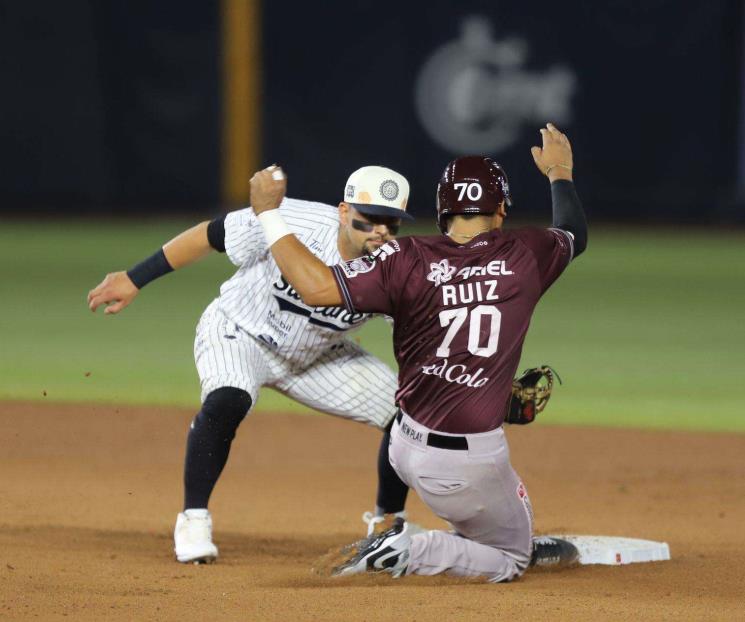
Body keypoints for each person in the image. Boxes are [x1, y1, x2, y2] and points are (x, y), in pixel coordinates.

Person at [245, 122, 588, 582]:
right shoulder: (527, 253)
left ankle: (444, 528)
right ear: (501, 209)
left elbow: (315, 286)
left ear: (443, 211)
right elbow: (573, 232)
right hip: (466, 465)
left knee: (483, 512)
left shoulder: (403, 257)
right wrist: (559, 171)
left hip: (405, 448)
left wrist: (268, 213)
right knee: (511, 558)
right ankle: (410, 550)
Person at [87, 166, 416, 563]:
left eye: (391, 223)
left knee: (407, 414)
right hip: (240, 331)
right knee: (228, 399)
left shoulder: (395, 266)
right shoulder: (293, 218)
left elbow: (422, 331)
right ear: (344, 212)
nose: (380, 232)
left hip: (316, 355)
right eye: (370, 219)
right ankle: (193, 518)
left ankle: (386, 526)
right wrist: (135, 278)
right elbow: (210, 236)